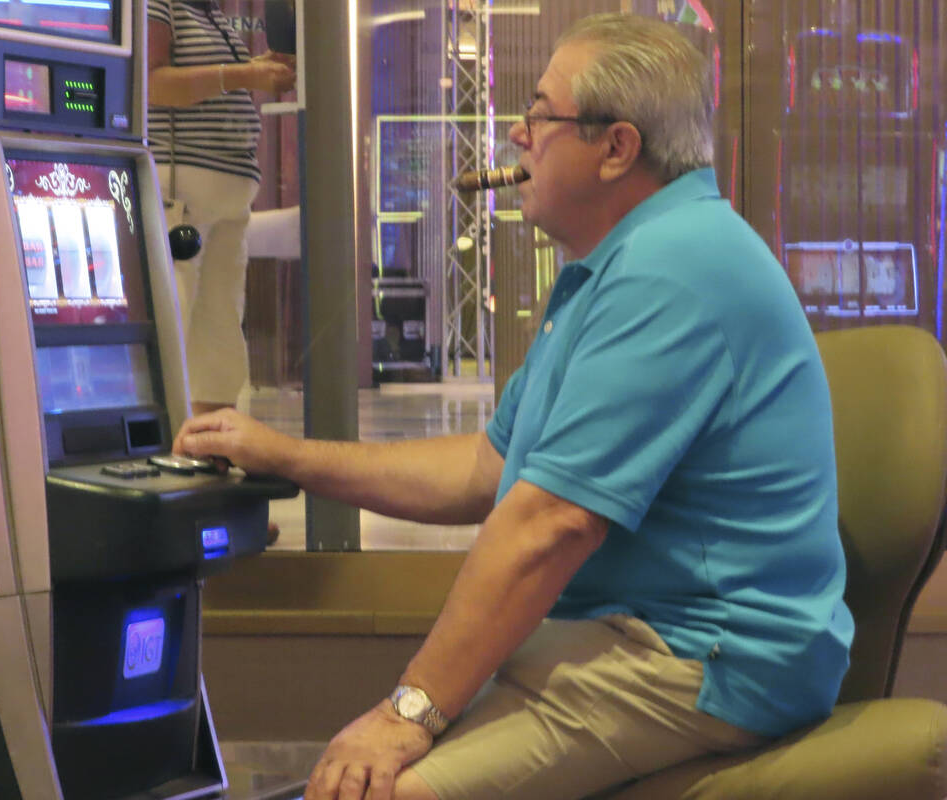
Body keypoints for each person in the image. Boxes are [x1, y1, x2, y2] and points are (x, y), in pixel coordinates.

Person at [173, 12, 854, 800]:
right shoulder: (617, 263)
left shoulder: (673, 270)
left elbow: (551, 524)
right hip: (630, 632)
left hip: (706, 657)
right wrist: (286, 456)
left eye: (539, 115)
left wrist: (410, 711)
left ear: (617, 148)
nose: (519, 136)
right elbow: (484, 467)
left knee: (381, 793)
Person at [146, 0, 295, 415]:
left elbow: (209, 80)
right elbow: (152, 83)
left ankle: (211, 443)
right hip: (182, 191)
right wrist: (247, 73)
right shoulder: (161, 5)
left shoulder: (207, 11)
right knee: (176, 315)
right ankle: (167, 440)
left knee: (221, 327)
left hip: (226, 195)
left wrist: (252, 68)